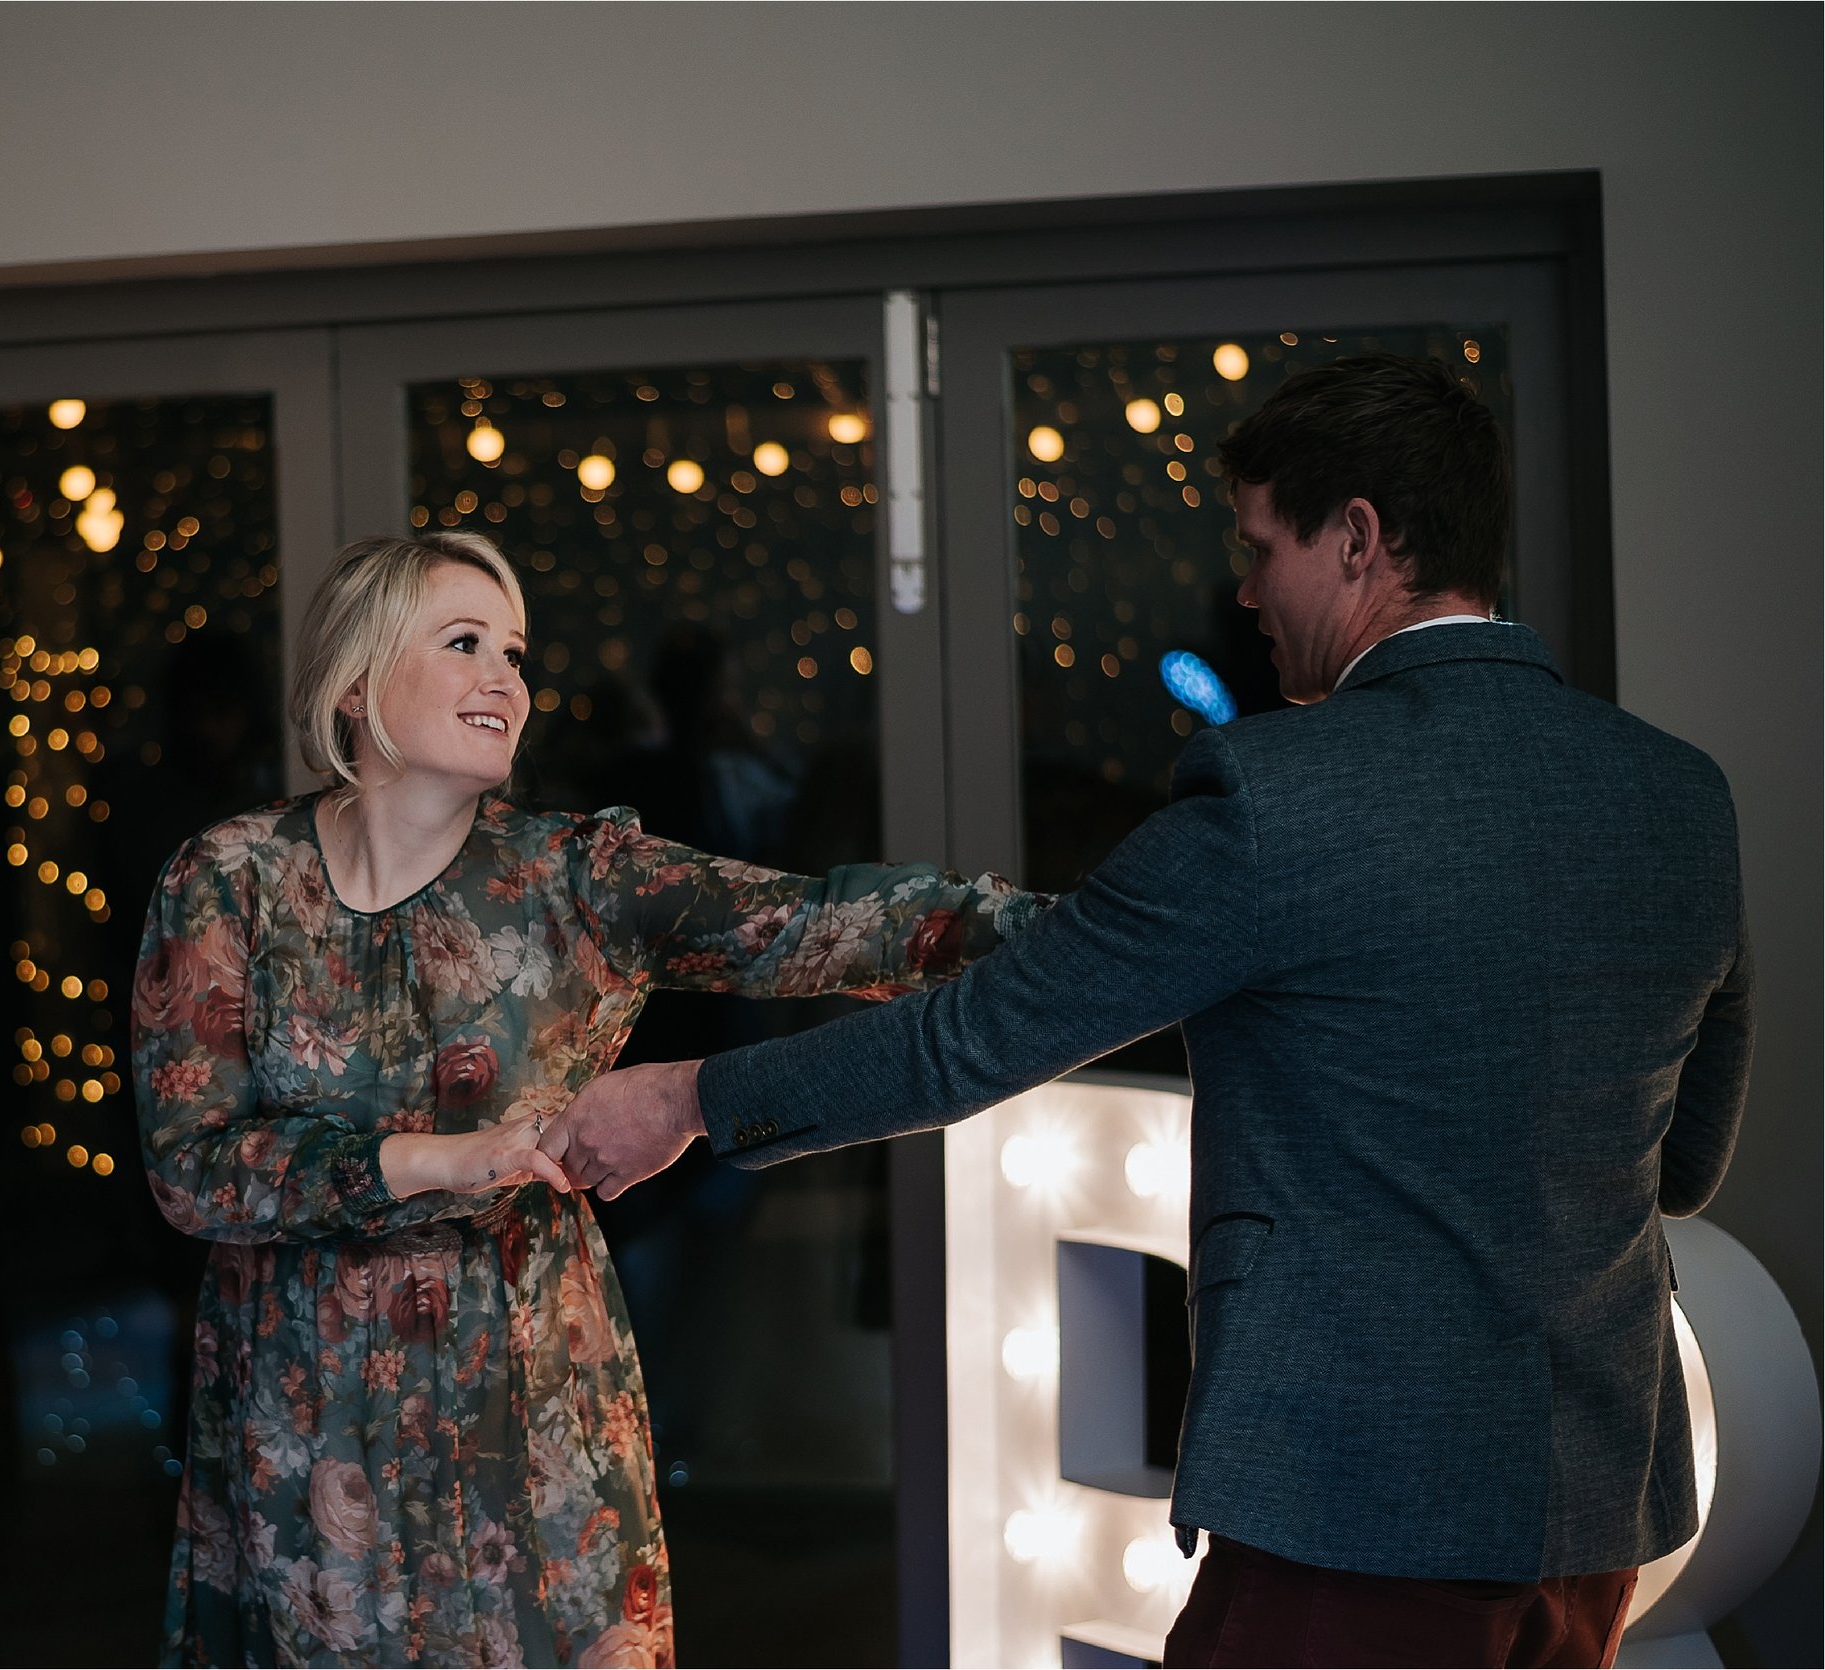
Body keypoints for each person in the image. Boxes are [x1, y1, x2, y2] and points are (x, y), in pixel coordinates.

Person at [546, 355, 1753, 1669]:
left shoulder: (1272, 799)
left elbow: (972, 1038)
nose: (1244, 593)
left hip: (1349, 1514)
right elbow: (1680, 1164)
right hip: (1594, 1511)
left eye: (1261, 546)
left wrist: (684, 1098)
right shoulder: (1679, 798)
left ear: (1358, 540)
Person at [130, 530, 1044, 1667]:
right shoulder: (228, 877)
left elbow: (816, 922)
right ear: (356, 683)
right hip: (306, 1427)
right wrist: (442, 1158)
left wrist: (1075, 932)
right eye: (465, 642)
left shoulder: (572, 876)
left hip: (529, 1409)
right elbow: (191, 1168)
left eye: (514, 652)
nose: (504, 677)